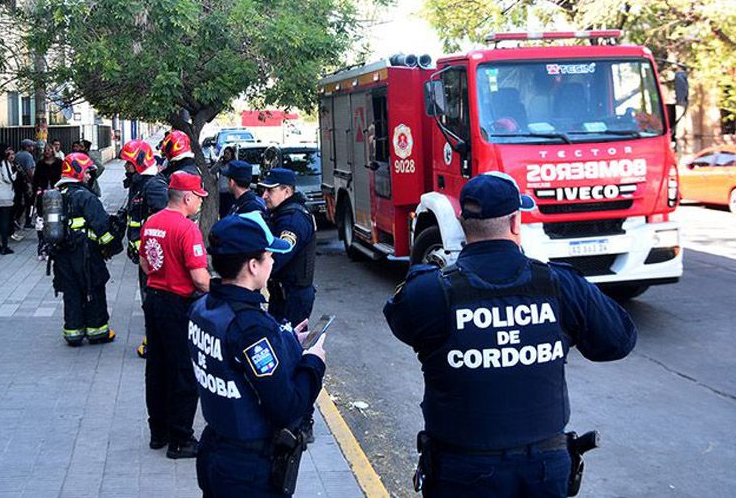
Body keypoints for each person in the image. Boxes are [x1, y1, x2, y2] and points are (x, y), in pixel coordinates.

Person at [383, 172, 638, 498]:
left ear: (461, 223)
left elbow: (401, 321)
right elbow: (618, 341)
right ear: (516, 222)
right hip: (543, 471)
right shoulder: (558, 285)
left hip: (462, 472)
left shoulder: (432, 290)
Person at [190, 212, 328, 497]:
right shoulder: (250, 327)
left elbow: (233, 360)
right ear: (253, 266)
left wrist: (287, 341)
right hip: (247, 468)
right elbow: (288, 406)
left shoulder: (203, 307)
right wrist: (314, 362)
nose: (273, 261)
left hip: (216, 449)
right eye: (269, 256)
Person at [139, 172, 211, 459]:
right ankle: (181, 439)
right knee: (183, 371)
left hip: (154, 300)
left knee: (157, 368)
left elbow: (145, 263)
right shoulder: (187, 228)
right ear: (187, 197)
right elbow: (200, 279)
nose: (201, 203)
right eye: (199, 197)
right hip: (178, 305)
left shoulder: (151, 222)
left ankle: (159, 433)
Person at [53, 152, 119, 346]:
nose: (90, 176)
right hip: (86, 254)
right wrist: (111, 247)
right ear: (77, 172)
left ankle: (73, 333)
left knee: (71, 291)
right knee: (93, 288)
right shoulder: (86, 197)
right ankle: (97, 332)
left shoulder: (57, 195)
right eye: (87, 172)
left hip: (62, 254)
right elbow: (102, 227)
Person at [119, 139, 169, 359]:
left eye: (128, 163)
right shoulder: (139, 183)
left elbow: (163, 221)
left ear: (139, 162)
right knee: (149, 300)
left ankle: (156, 344)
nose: (125, 166)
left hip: (153, 258)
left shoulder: (154, 186)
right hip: (145, 256)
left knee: (153, 301)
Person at [259, 168, 317, 328]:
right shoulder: (281, 214)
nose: (264, 195)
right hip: (281, 295)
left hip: (292, 298)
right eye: (264, 190)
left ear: (286, 191)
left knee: (290, 340)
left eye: (270, 190)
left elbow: (278, 257)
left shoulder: (293, 220)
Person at [33, 144, 65, 262]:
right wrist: (37, 189)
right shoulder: (40, 164)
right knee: (41, 220)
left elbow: (63, 177)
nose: (47, 152)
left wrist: (60, 188)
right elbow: (36, 179)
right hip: (43, 196)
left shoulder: (59, 163)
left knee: (55, 220)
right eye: (45, 150)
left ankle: (54, 246)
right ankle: (43, 246)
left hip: (56, 196)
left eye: (49, 150)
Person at [13, 139, 38, 229]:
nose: (33, 148)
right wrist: (32, 181)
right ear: (27, 147)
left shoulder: (17, 154)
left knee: (19, 200)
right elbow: (29, 170)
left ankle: (16, 218)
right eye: (31, 146)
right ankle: (28, 221)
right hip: (26, 182)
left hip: (18, 181)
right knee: (29, 203)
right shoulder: (28, 156)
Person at [213, 146, 236, 215]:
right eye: (225, 153)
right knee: (222, 212)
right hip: (221, 192)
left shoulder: (233, 164)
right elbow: (212, 171)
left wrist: (221, 168)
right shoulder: (221, 164)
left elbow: (225, 172)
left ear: (231, 155)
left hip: (229, 192)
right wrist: (218, 162)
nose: (226, 155)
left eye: (228, 154)